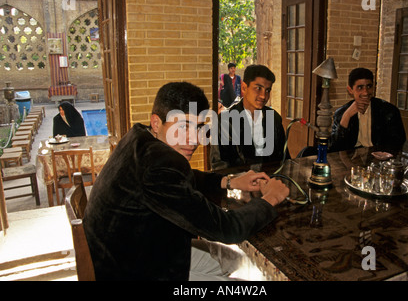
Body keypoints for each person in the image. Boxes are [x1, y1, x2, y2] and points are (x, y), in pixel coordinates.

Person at [83, 81, 289, 281]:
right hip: (132, 271)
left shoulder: (139, 138)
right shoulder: (158, 166)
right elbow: (228, 229)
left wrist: (229, 181)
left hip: (134, 250)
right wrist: (271, 198)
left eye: (198, 127)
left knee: (239, 261)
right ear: (157, 123)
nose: (194, 139)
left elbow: (181, 178)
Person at [210, 64, 289, 170]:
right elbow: (219, 166)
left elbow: (284, 159)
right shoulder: (225, 121)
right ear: (243, 87)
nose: (263, 96)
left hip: (271, 181)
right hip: (238, 184)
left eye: (267, 90)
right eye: (258, 88)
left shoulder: (274, 118)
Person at [330, 67, 406, 152]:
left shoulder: (389, 111)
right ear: (350, 90)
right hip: (351, 159)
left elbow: (399, 142)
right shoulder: (341, 113)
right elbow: (336, 148)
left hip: (378, 157)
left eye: (369, 86)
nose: (366, 92)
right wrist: (346, 116)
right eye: (360, 87)